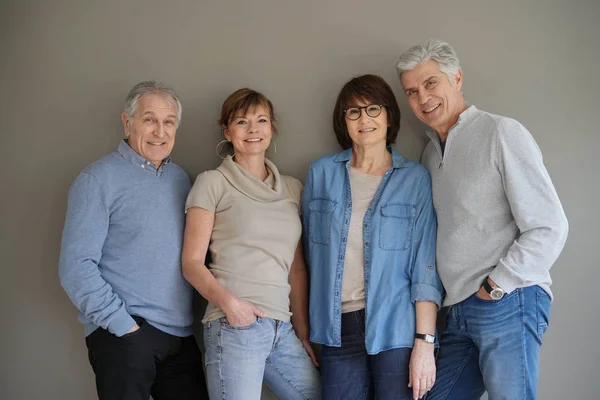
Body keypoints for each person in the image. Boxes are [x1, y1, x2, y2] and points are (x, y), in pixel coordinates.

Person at [396, 39, 569, 400]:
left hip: (506, 300)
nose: (422, 98)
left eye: (430, 83)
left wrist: (496, 285)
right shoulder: (429, 154)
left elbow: (549, 225)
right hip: (456, 313)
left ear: (456, 78)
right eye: (411, 91)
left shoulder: (501, 132)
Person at [59, 80, 208, 400]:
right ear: (128, 122)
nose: (160, 131)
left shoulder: (181, 180)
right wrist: (124, 327)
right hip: (125, 335)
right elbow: (76, 267)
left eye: (169, 122)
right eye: (149, 119)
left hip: (179, 337)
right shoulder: (97, 179)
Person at [302, 74, 443, 400]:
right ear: (344, 121)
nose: (364, 119)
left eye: (373, 109)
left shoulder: (415, 179)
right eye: (353, 112)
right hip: (336, 329)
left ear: (389, 115)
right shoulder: (320, 174)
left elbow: (425, 268)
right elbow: (310, 255)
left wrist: (424, 342)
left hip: (396, 327)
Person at [181, 88, 321, 400]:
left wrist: (301, 330)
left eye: (261, 120)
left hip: (281, 329)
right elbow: (191, 263)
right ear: (227, 131)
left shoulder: (292, 189)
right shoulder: (212, 182)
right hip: (234, 326)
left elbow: (295, 269)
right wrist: (232, 306)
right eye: (242, 122)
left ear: (272, 128)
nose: (253, 129)